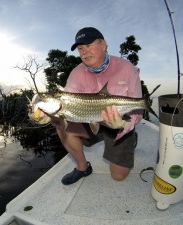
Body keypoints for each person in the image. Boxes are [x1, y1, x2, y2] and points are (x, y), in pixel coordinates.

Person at [51, 27, 143, 185]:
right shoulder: (76, 73)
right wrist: (48, 113)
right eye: (80, 48)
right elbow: (66, 104)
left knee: (118, 176)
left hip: (118, 124)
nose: (84, 52)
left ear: (103, 45)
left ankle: (130, 137)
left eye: (89, 45)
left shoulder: (126, 68)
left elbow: (138, 109)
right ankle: (83, 168)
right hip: (90, 120)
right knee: (59, 124)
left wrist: (124, 124)